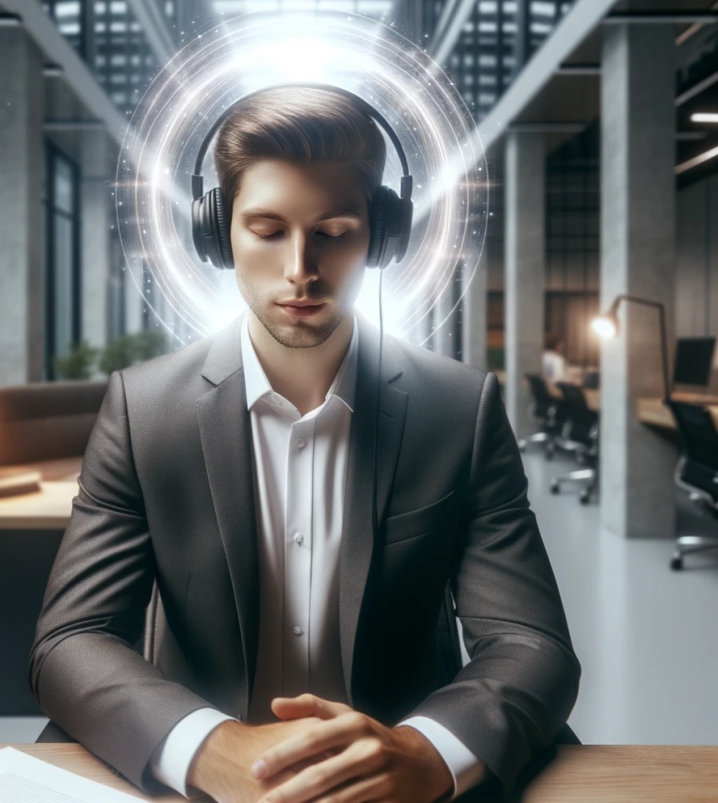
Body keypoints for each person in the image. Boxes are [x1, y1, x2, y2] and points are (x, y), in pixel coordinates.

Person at [29, 86, 580, 803]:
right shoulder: (143, 410)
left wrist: (425, 752)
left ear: (380, 236)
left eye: (334, 230)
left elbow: (531, 644)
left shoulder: (460, 409)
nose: (300, 269)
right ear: (217, 233)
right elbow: (72, 638)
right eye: (267, 229)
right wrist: (207, 747)